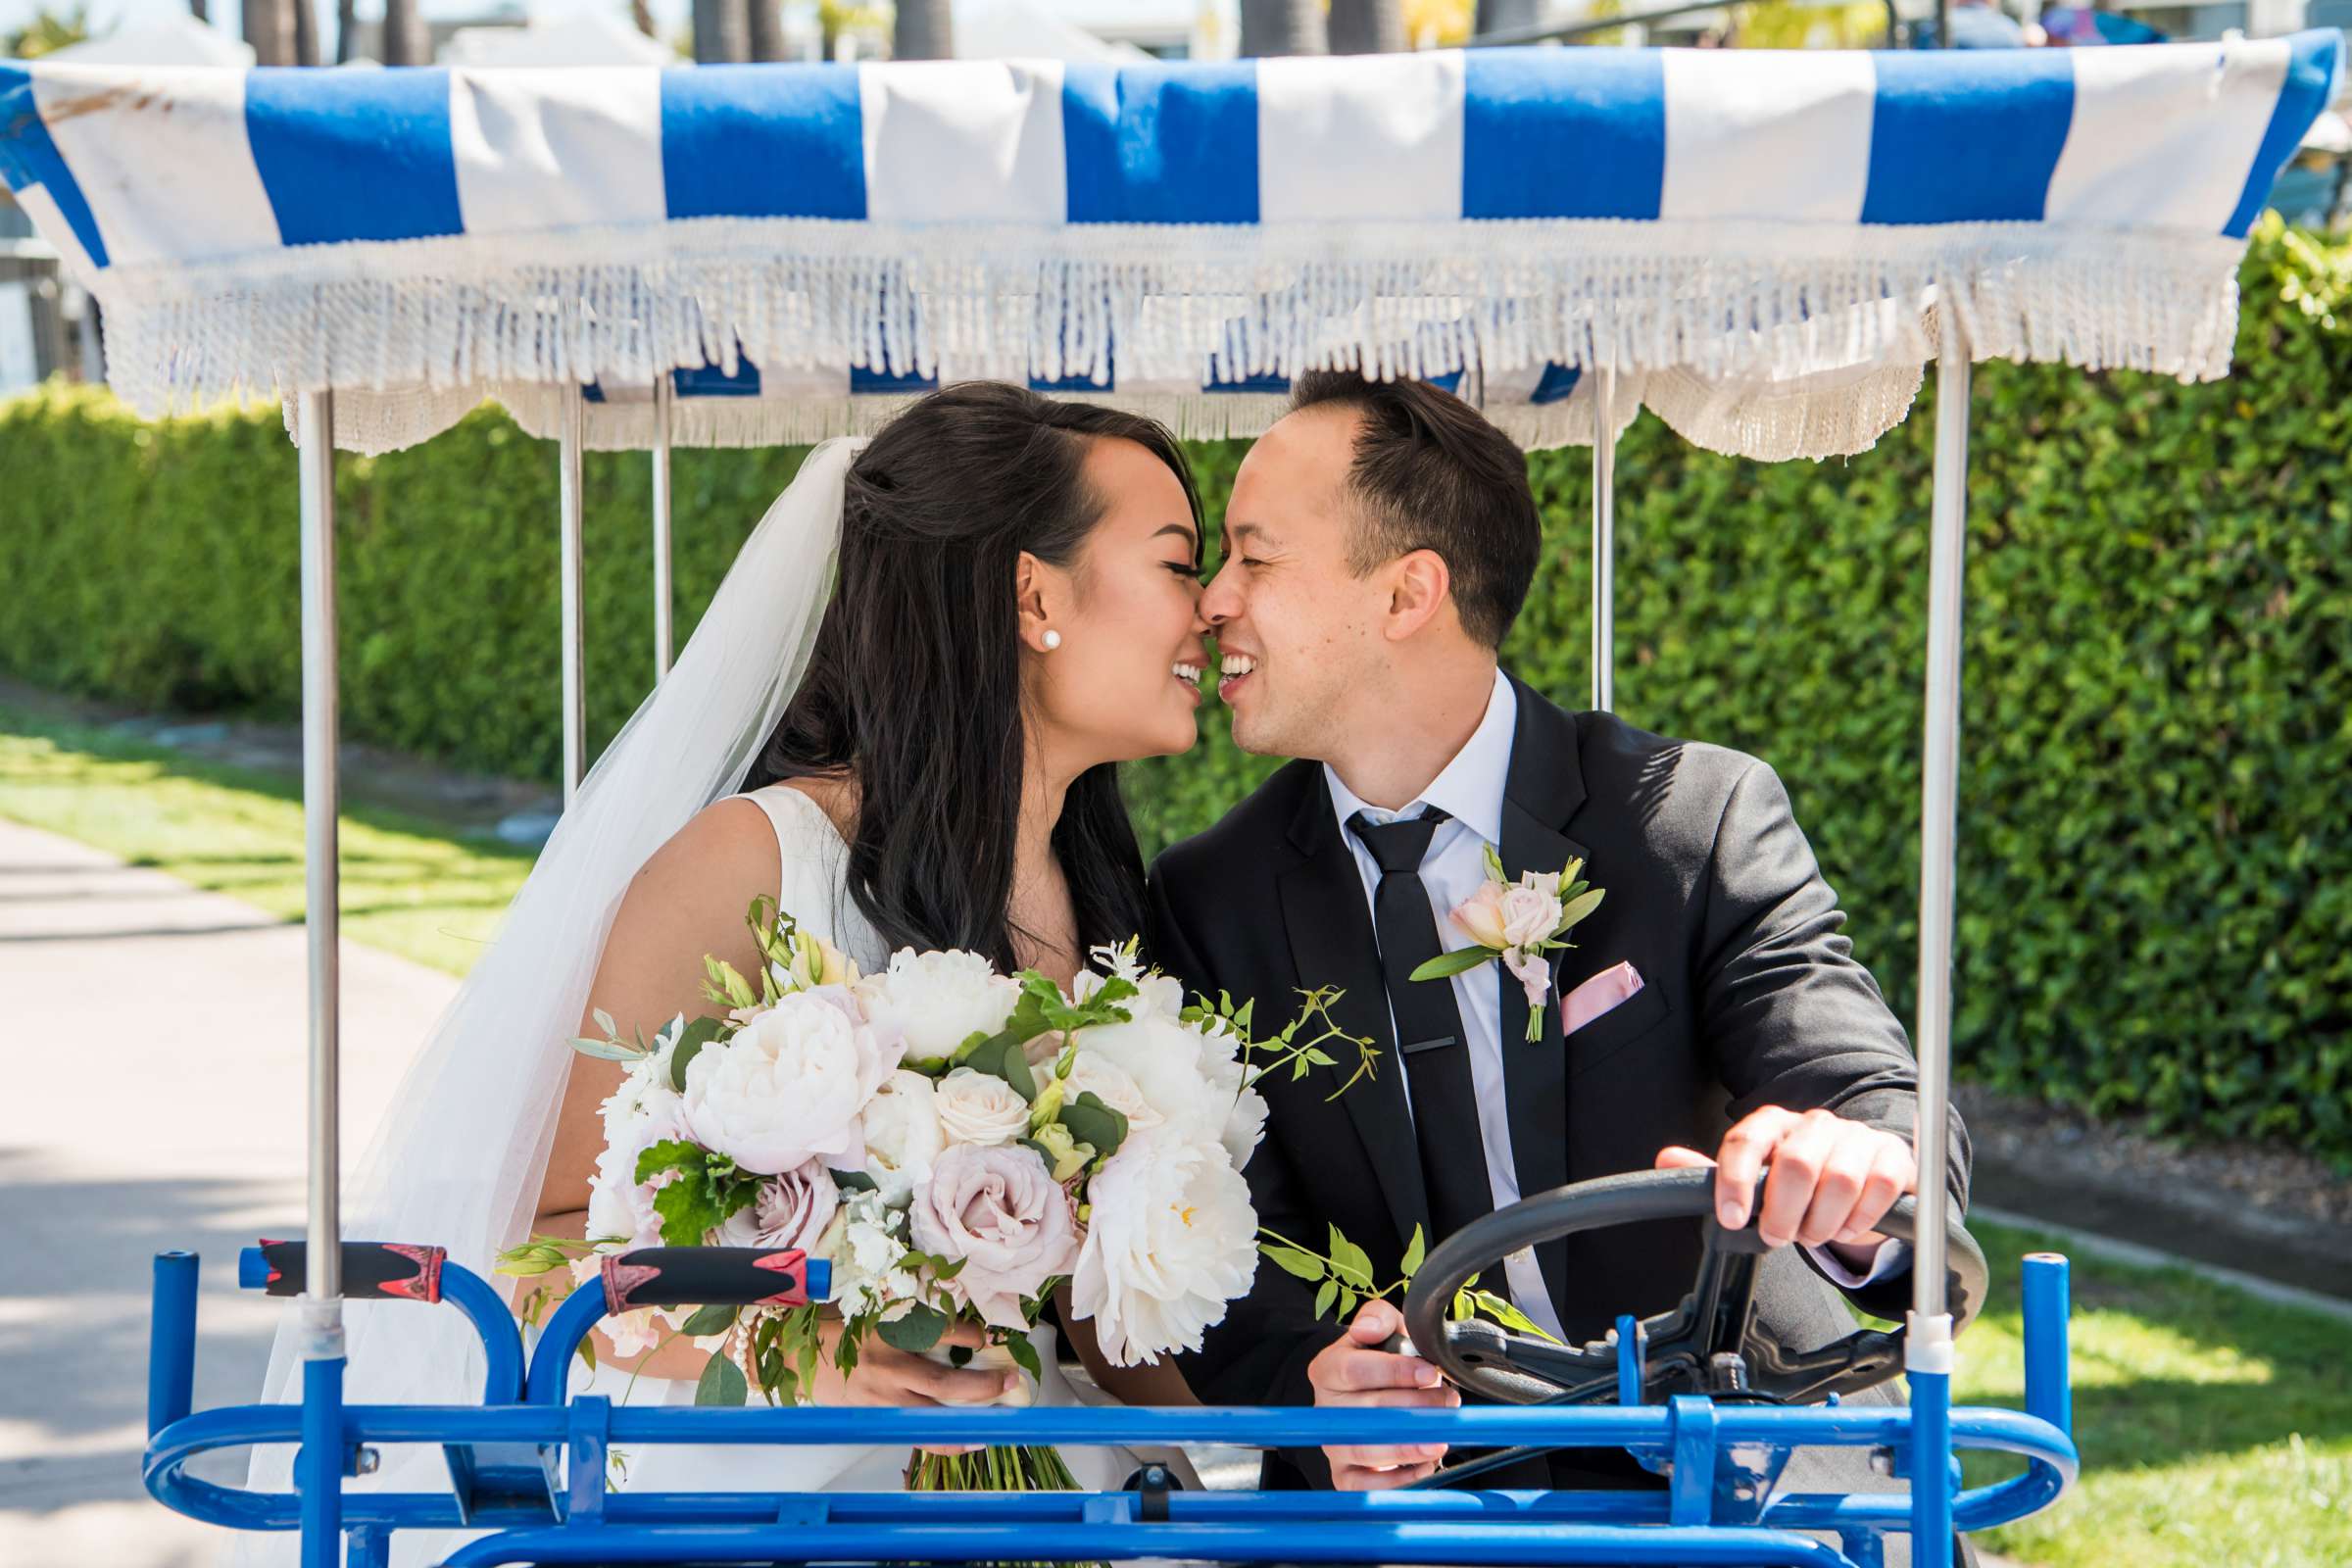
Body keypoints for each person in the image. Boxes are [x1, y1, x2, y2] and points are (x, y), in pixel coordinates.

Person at [241, 383, 1213, 1563]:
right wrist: (805, 1348)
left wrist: (1256, 1469)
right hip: (786, 1508)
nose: (1210, 611)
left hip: (1053, 1497)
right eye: (1178, 564)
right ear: (1032, 594)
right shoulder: (754, 865)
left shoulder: (1103, 888)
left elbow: (1095, 1318)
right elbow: (536, 1257)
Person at [1147, 374, 1971, 1513]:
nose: (1211, 602)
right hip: (1412, 1514)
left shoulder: (1691, 817)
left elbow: (1874, 1097)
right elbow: (1237, 1264)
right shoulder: (1209, 897)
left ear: (1408, 592)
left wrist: (1858, 1169)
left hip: (1733, 1474)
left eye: (1255, 557)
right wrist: (1315, 1381)